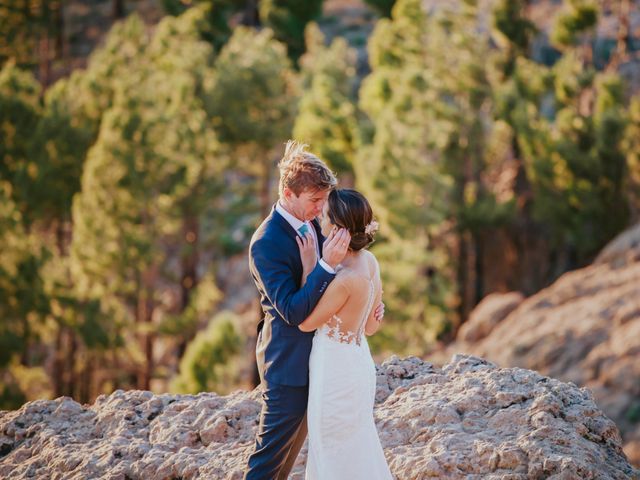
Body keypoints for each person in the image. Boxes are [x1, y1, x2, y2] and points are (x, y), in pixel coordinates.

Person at [244, 141, 384, 479]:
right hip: (290, 365)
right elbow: (292, 311)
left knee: (301, 455)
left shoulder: (322, 226)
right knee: (270, 460)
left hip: (329, 368)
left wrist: (367, 303)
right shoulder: (266, 243)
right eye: (315, 201)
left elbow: (346, 275)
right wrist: (321, 265)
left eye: (325, 201)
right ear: (289, 194)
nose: (322, 209)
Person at [297, 188, 392, 480]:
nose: (319, 221)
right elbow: (370, 327)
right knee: (357, 446)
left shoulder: (345, 279)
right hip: (359, 363)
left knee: (331, 449)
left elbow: (306, 323)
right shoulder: (370, 262)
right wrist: (376, 310)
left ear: (338, 230)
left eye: (324, 217)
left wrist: (310, 266)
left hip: (334, 372)